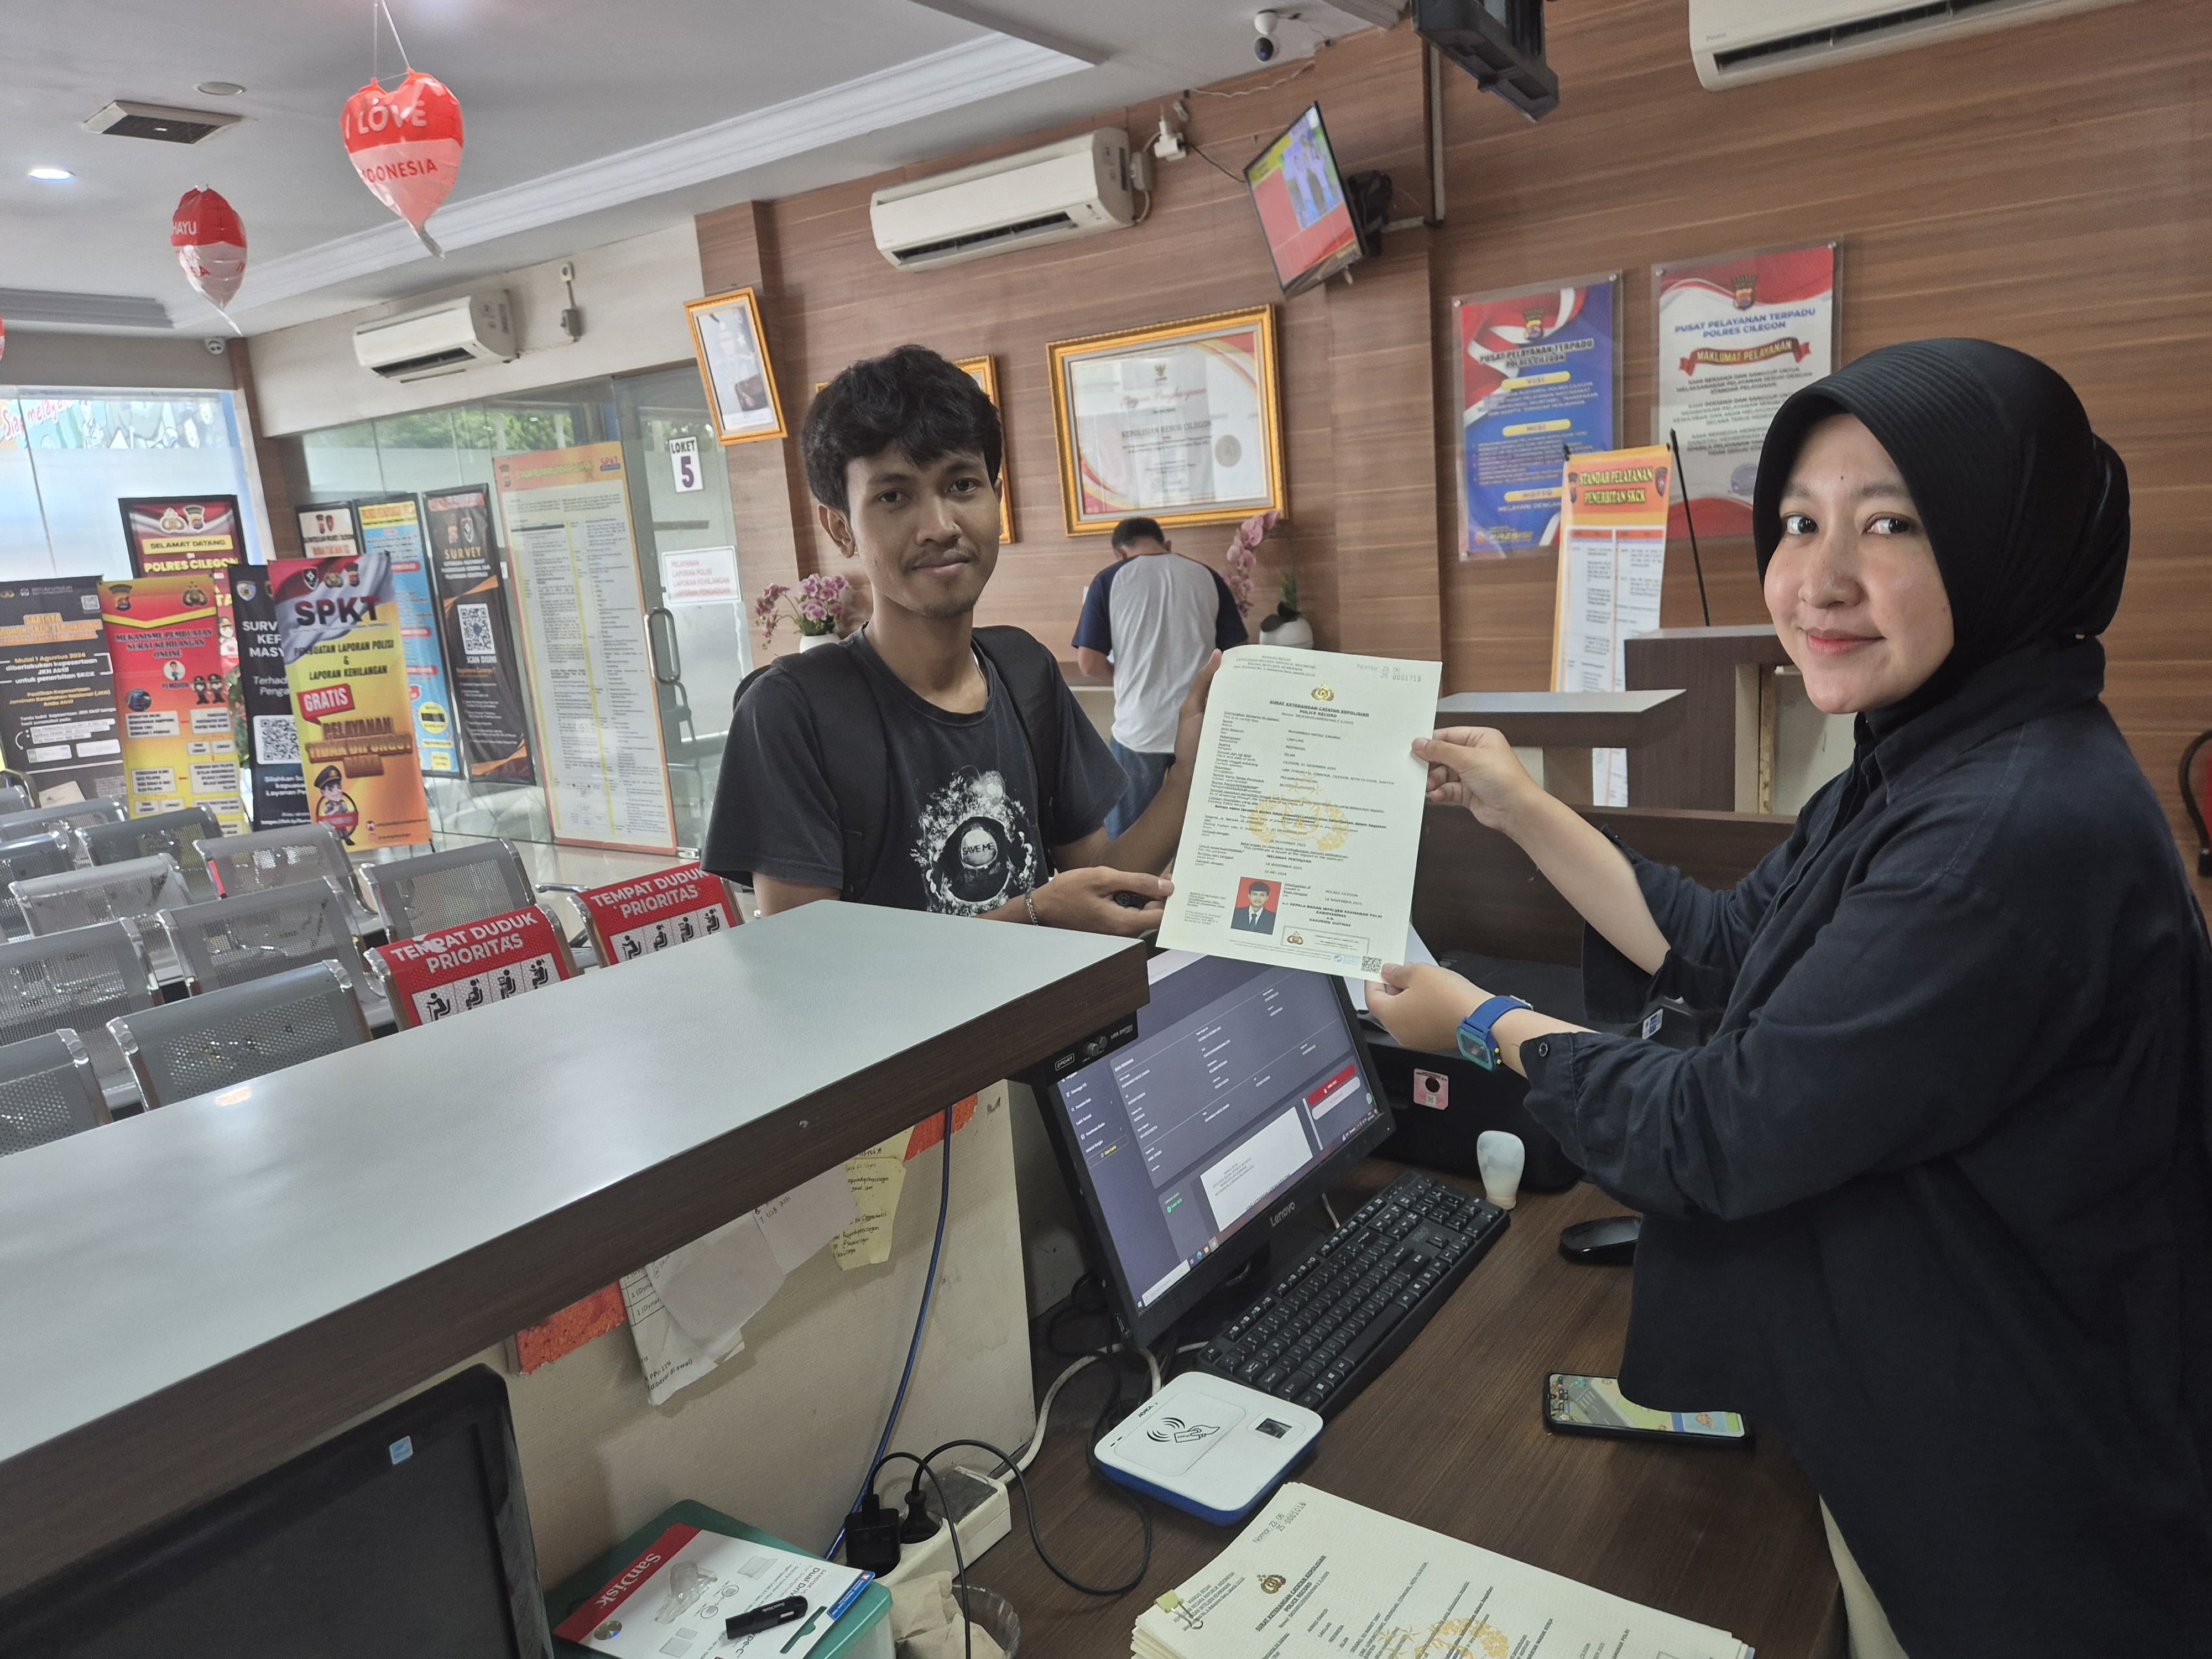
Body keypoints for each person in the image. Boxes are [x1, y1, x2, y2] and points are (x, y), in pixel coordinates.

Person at [1365, 340, 2212, 1655]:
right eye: (1798, 523)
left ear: (2005, 542)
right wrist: (1522, 805)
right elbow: (1720, 941)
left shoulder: (1999, 833)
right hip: (1927, 1399)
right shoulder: (1935, 752)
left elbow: (1719, 1130)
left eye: (1890, 525)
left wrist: (1478, 1024)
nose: (1817, 580)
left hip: (2021, 1493)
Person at [703, 345, 1214, 935]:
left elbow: (1101, 885)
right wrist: (1034, 916)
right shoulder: (791, 710)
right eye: (893, 496)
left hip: (1059, 1001)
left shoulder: (1025, 671)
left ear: (996, 498)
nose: (940, 526)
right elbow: (804, 956)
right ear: (841, 527)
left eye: (963, 485)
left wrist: (1189, 774)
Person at [1073, 516, 1246, 835]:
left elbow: (1089, 663)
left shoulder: (1110, 579)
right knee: (1201, 833)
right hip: (1200, 725)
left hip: (1140, 728)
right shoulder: (1206, 576)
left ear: (1120, 554)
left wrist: (1126, 680)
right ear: (1167, 545)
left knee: (1126, 837)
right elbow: (1235, 654)